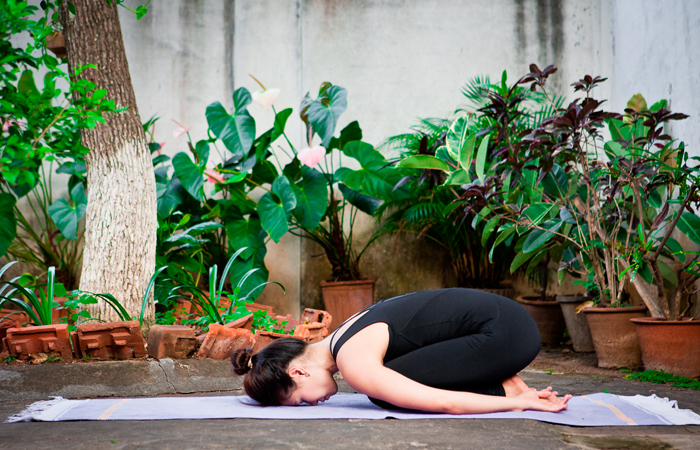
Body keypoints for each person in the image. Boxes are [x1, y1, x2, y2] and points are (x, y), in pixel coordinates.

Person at [232, 288, 572, 414]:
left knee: (385, 395)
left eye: (301, 401)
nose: (316, 403)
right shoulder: (343, 333)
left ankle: (505, 384)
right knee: (392, 379)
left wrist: (518, 402)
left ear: (298, 372)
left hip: (507, 334)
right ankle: (498, 375)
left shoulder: (353, 362)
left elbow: (445, 403)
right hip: (505, 322)